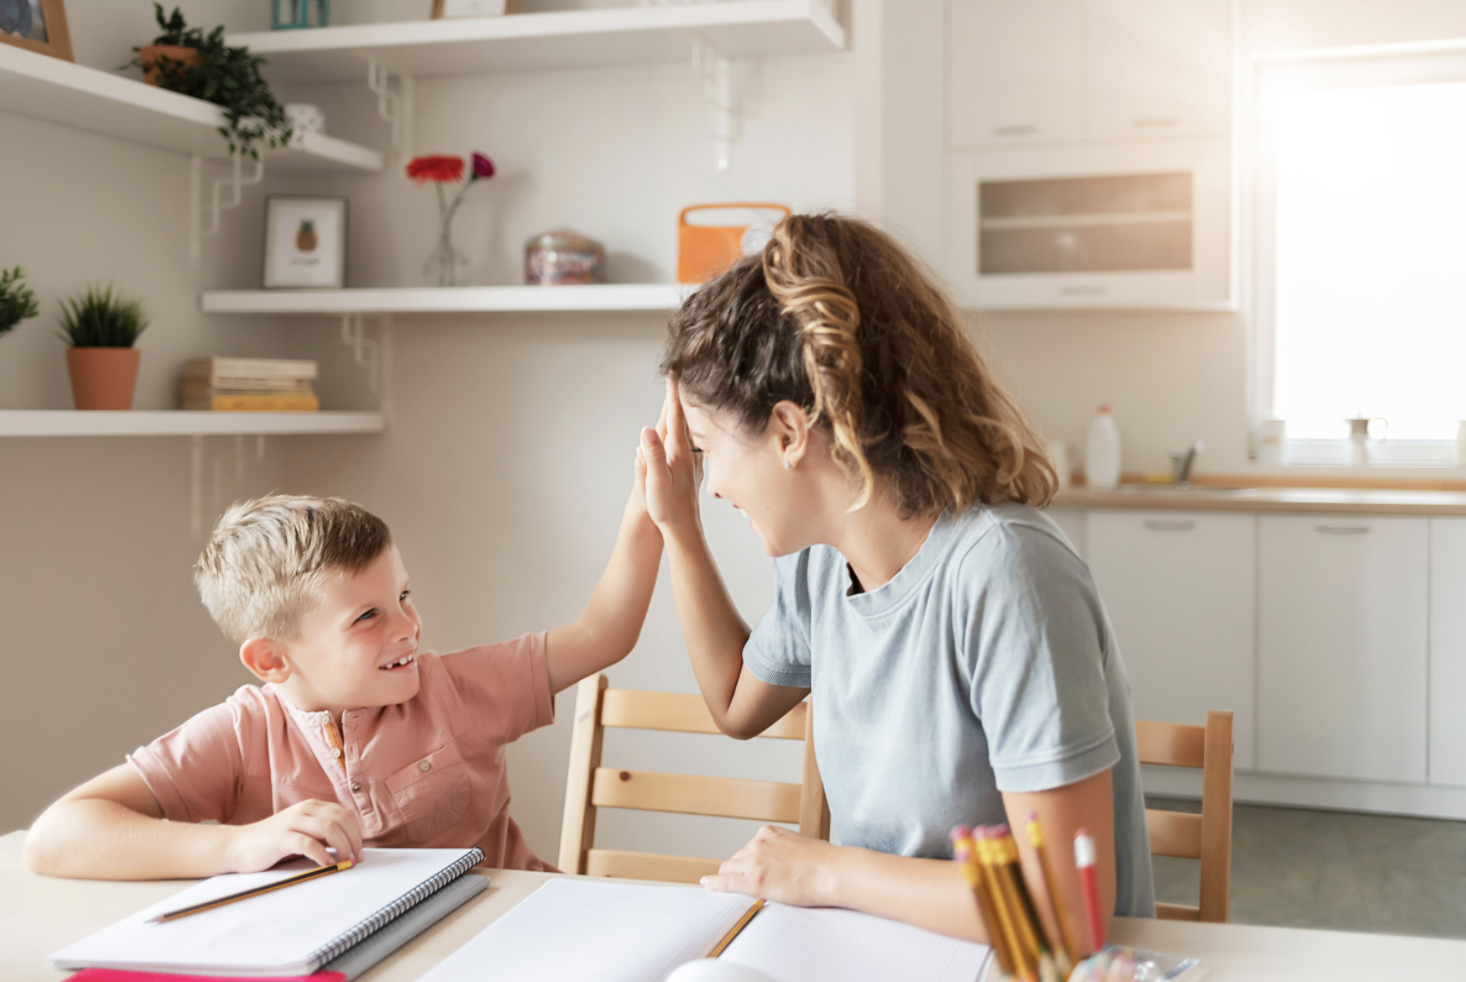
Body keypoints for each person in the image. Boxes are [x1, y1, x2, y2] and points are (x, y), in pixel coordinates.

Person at [637, 213, 1154, 945]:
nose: (711, 483)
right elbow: (734, 704)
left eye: (705, 448)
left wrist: (823, 871)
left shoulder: (1006, 573)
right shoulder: (822, 561)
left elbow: (1065, 909)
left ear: (788, 433)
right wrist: (678, 527)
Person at [24, 462, 662, 879]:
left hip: (517, 933)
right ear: (272, 659)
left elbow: (602, 634)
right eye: (367, 617)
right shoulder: (245, 733)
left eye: (404, 597)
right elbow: (55, 836)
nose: (408, 627)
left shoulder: (454, 690)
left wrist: (651, 501)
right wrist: (237, 846)